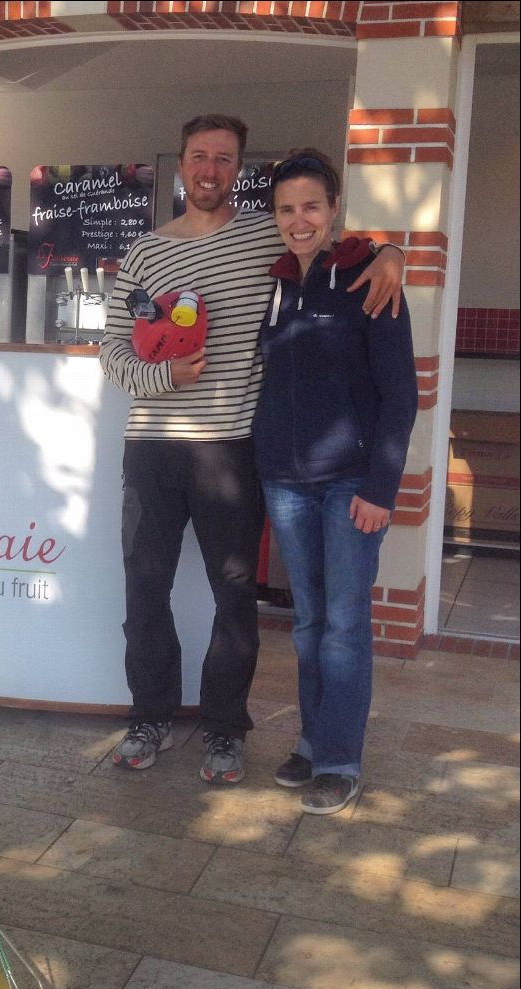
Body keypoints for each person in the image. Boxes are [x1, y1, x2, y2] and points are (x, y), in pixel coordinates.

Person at [99, 114, 404, 785]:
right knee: (144, 590)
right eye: (200, 156)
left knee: (234, 597)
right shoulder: (145, 252)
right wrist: (163, 377)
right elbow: (113, 348)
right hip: (150, 447)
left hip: (232, 450)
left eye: (225, 160)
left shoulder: (264, 234)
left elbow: (326, 241)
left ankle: (225, 729)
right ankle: (149, 714)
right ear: (181, 163)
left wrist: (390, 252)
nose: (211, 170)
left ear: (238, 171)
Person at [255, 149, 417, 814]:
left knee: (345, 626)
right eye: (287, 208)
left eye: (311, 207)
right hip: (286, 483)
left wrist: (381, 488)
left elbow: (400, 395)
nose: (299, 220)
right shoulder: (275, 282)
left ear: (333, 209)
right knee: (308, 625)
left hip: (350, 485)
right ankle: (314, 740)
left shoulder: (368, 280)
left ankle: (341, 758)